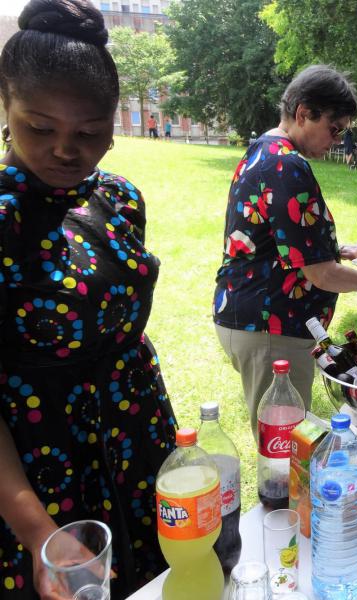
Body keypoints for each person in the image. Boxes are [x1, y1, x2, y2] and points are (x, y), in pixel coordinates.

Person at [0, 1, 179, 596]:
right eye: (39, 126)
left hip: (138, 438)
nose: (65, 151)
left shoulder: (120, 199)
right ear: (6, 108)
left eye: (90, 132)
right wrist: (37, 532)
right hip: (39, 471)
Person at [213, 65, 357, 435]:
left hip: (263, 321)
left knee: (292, 437)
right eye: (334, 128)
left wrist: (345, 250)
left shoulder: (267, 150)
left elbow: (281, 240)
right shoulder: (285, 164)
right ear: (303, 113)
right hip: (271, 327)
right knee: (284, 448)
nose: (338, 139)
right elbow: (319, 273)